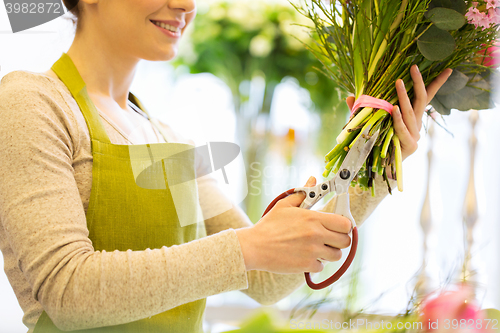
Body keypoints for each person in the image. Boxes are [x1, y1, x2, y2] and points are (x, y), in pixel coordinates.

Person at [0, 0, 452, 332]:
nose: (185, 5)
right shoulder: (32, 102)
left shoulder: (169, 137)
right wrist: (249, 245)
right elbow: (67, 291)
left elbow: (263, 281)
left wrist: (377, 164)